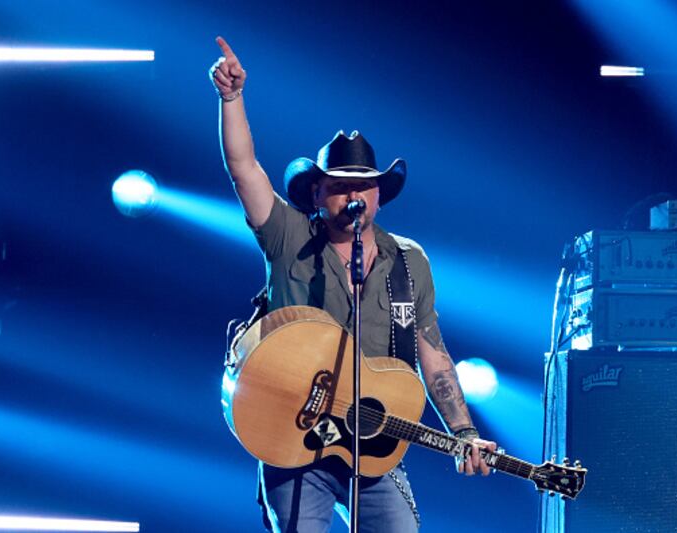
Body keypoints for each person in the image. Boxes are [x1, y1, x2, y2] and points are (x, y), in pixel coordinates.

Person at [210, 36, 498, 533]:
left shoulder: (408, 262)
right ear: (317, 193)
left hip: (369, 446)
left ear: (380, 195)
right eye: (340, 186)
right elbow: (243, 169)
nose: (353, 196)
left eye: (363, 185)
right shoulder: (289, 236)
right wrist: (232, 98)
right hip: (293, 435)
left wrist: (463, 431)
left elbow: (432, 353)